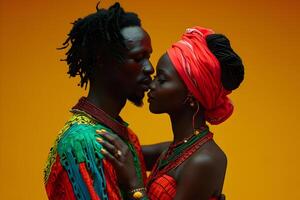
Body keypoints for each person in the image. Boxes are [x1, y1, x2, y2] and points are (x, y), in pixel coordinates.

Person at [97, 26, 244, 200]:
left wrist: (134, 184)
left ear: (191, 94)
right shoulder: (171, 150)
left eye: (162, 79)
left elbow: (129, 164)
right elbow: (118, 152)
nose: (152, 85)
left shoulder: (205, 160)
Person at [43, 2, 155, 199]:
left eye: (149, 57)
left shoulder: (123, 137)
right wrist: (136, 188)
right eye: (138, 58)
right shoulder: (82, 144)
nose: (149, 68)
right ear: (102, 59)